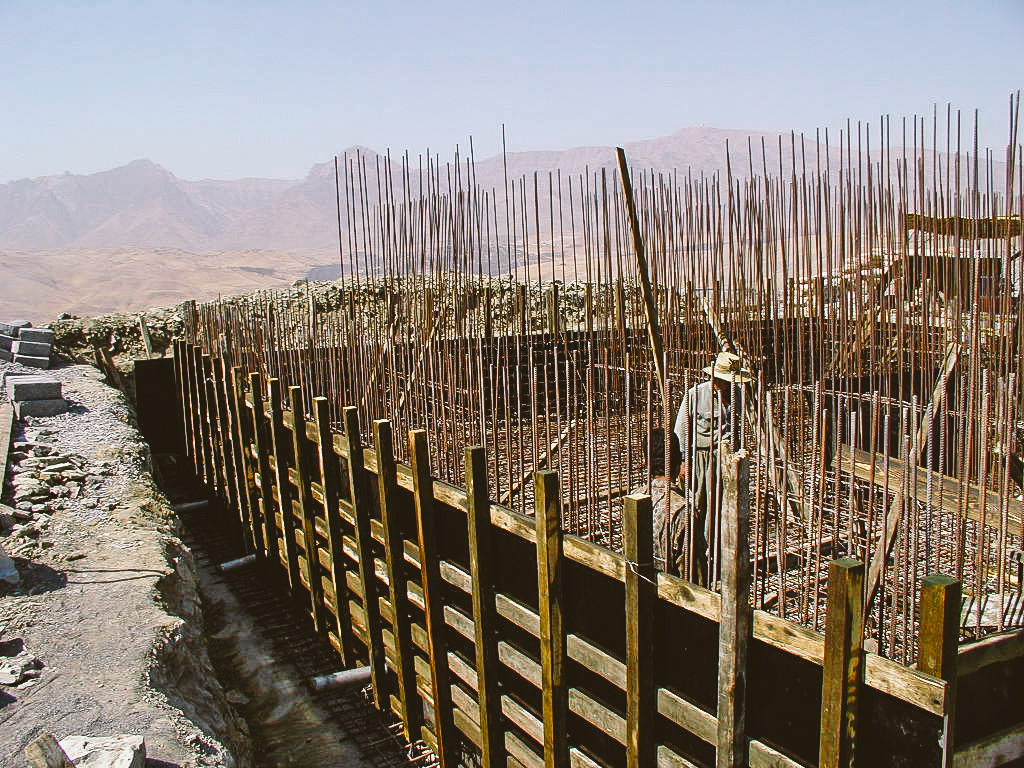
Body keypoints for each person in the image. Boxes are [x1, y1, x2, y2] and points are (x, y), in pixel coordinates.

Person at [672, 351, 752, 586]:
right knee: (697, 506)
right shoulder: (695, 395)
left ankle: (714, 557)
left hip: (723, 459)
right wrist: (683, 462)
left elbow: (735, 428)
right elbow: (680, 432)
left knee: (719, 509)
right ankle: (694, 557)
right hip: (700, 458)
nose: (723, 384)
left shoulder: (736, 394)